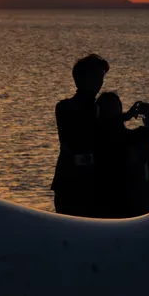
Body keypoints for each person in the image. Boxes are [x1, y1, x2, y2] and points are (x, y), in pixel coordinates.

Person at [51, 54, 109, 216]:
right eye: (97, 77)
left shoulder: (98, 109)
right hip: (72, 185)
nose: (100, 82)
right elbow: (77, 141)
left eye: (101, 77)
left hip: (93, 186)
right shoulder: (65, 108)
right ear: (82, 79)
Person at [94, 91, 149, 218]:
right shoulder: (104, 135)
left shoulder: (123, 134)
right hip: (119, 199)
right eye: (110, 109)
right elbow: (126, 138)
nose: (115, 113)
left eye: (116, 108)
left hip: (135, 196)